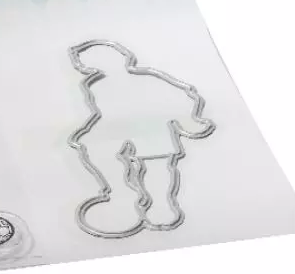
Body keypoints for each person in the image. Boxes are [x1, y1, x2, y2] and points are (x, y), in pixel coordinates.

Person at [68, 40, 216, 236]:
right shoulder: (98, 86)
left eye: (90, 63)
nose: (89, 68)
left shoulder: (146, 79)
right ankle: (123, 194)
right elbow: (108, 116)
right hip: (121, 130)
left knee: (156, 168)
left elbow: (181, 95)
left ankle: (161, 207)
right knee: (95, 150)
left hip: (152, 129)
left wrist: (192, 120)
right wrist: (91, 135)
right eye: (87, 65)